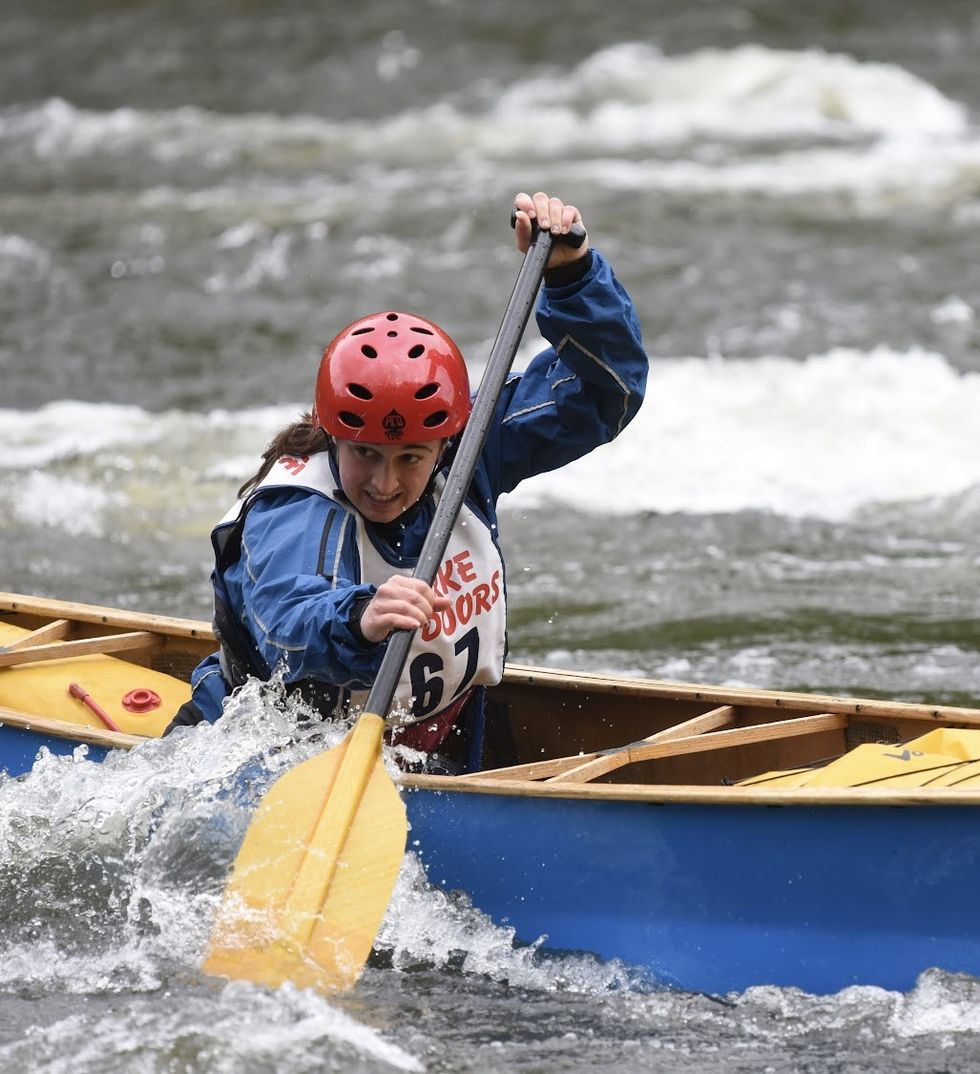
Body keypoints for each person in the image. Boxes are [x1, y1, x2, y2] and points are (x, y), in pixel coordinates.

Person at [167, 191, 648, 772]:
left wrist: (573, 277)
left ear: (445, 440)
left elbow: (605, 393)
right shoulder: (295, 508)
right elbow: (290, 621)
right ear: (332, 432)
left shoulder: (468, 453)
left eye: (410, 459)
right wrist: (359, 620)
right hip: (260, 757)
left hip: (435, 751)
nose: (385, 483)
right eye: (365, 454)